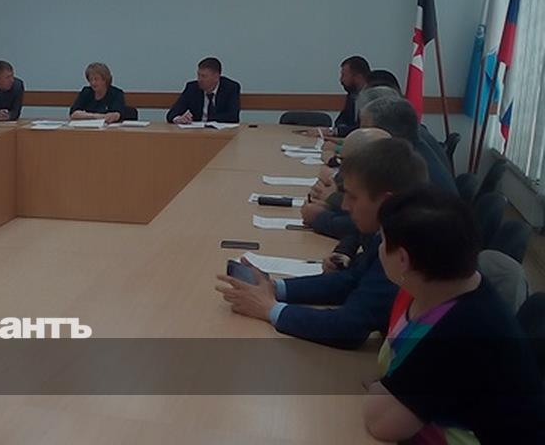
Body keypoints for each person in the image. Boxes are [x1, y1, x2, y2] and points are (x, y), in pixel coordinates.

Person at [364, 187, 545, 443]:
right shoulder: (444, 290)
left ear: (403, 259)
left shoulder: (462, 329)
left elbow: (382, 425)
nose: (380, 249)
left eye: (383, 241)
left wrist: (381, 390)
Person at [216, 138, 428, 349]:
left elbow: (349, 328)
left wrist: (269, 308)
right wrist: (275, 288)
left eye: (353, 197)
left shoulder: (402, 251)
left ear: (387, 202)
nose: (344, 206)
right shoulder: (389, 233)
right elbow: (350, 281)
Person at [360, 97, 455, 194]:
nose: (360, 134)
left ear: (386, 132)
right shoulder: (415, 146)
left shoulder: (408, 169)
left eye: (365, 129)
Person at [167, 57, 240, 124]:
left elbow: (233, 116)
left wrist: (206, 120)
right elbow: (171, 114)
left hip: (223, 132)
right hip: (197, 131)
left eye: (204, 76)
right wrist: (179, 119)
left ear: (216, 77)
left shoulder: (231, 88)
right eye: (198, 75)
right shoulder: (192, 88)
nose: (200, 80)